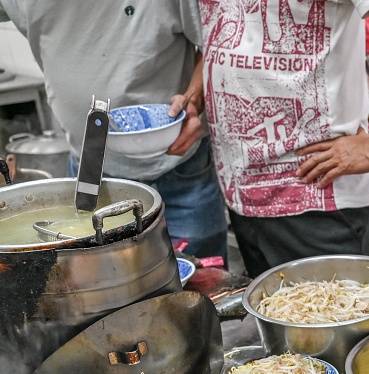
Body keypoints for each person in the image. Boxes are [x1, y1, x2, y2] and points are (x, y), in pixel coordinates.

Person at [200, 0, 369, 278]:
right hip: (241, 194)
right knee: (272, 317)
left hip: (315, 195)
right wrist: (199, 86)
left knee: (336, 318)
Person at [0, 0, 230, 262]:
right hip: (88, 176)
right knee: (95, 287)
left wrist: (194, 101)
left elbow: (216, 46)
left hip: (179, 174)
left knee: (200, 285)